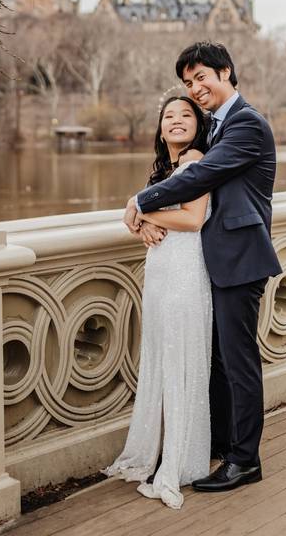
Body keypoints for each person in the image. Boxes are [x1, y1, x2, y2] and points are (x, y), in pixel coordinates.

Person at [124, 42, 281, 493]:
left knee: (239, 363)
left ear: (226, 73)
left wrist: (140, 202)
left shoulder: (247, 124)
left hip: (240, 259)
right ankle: (221, 444)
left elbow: (201, 176)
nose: (195, 89)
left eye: (202, 78)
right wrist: (148, 220)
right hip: (208, 262)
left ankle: (245, 460)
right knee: (215, 362)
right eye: (189, 83)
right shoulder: (214, 125)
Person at [102, 96, 213, 510]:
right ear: (160, 128)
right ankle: (158, 452)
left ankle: (180, 463)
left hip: (186, 273)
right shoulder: (164, 169)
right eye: (170, 116)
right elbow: (136, 217)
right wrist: (141, 220)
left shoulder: (198, 159)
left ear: (197, 128)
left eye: (186, 115)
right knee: (161, 360)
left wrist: (145, 215)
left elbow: (192, 218)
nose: (177, 121)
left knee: (181, 361)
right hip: (161, 273)